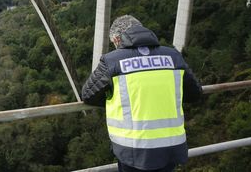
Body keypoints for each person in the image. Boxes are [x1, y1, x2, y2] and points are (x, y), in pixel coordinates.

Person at [82, 15, 202, 172]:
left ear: (117, 40)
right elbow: (195, 94)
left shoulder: (112, 61)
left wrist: (114, 96)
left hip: (134, 150)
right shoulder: (173, 56)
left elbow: (88, 95)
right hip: (171, 147)